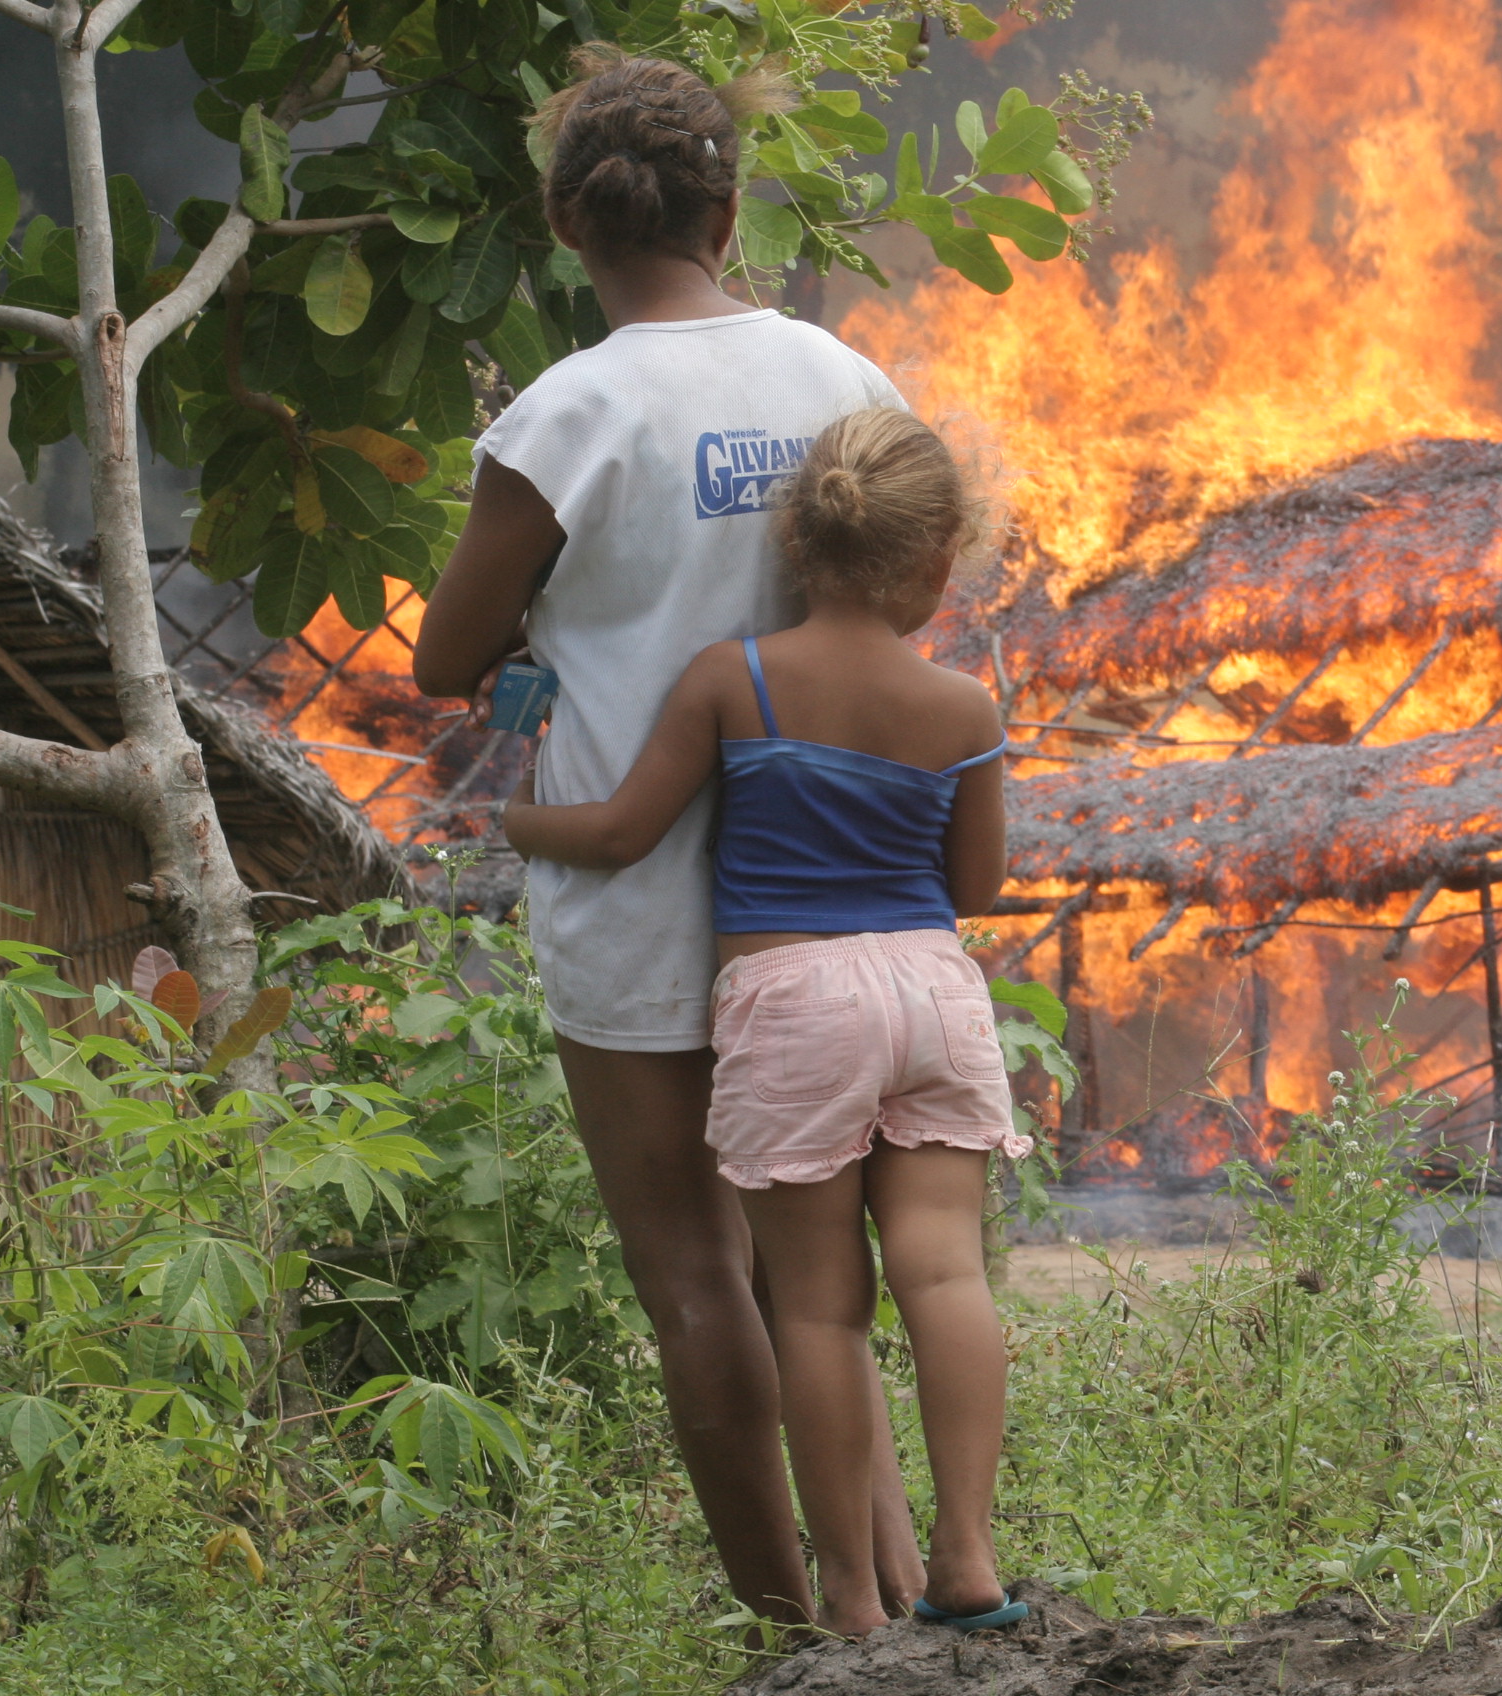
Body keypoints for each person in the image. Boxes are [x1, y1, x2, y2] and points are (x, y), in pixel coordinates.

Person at [412, 48, 925, 1627]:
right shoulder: (847, 384)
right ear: (728, 206)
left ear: (567, 226)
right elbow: (909, 602)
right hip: (826, 889)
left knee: (694, 1277)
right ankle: (893, 1608)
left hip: (632, 880)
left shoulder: (570, 413)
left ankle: (790, 1626)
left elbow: (445, 659)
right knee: (815, 1279)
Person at [503, 407, 1029, 1639]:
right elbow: (976, 887)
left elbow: (628, 830)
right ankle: (968, 1559)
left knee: (818, 1305)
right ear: (941, 551)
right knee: (944, 1272)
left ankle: (849, 1594)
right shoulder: (965, 706)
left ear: (796, 539)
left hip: (795, 1005)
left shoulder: (732, 678)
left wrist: (521, 821)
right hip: (931, 988)